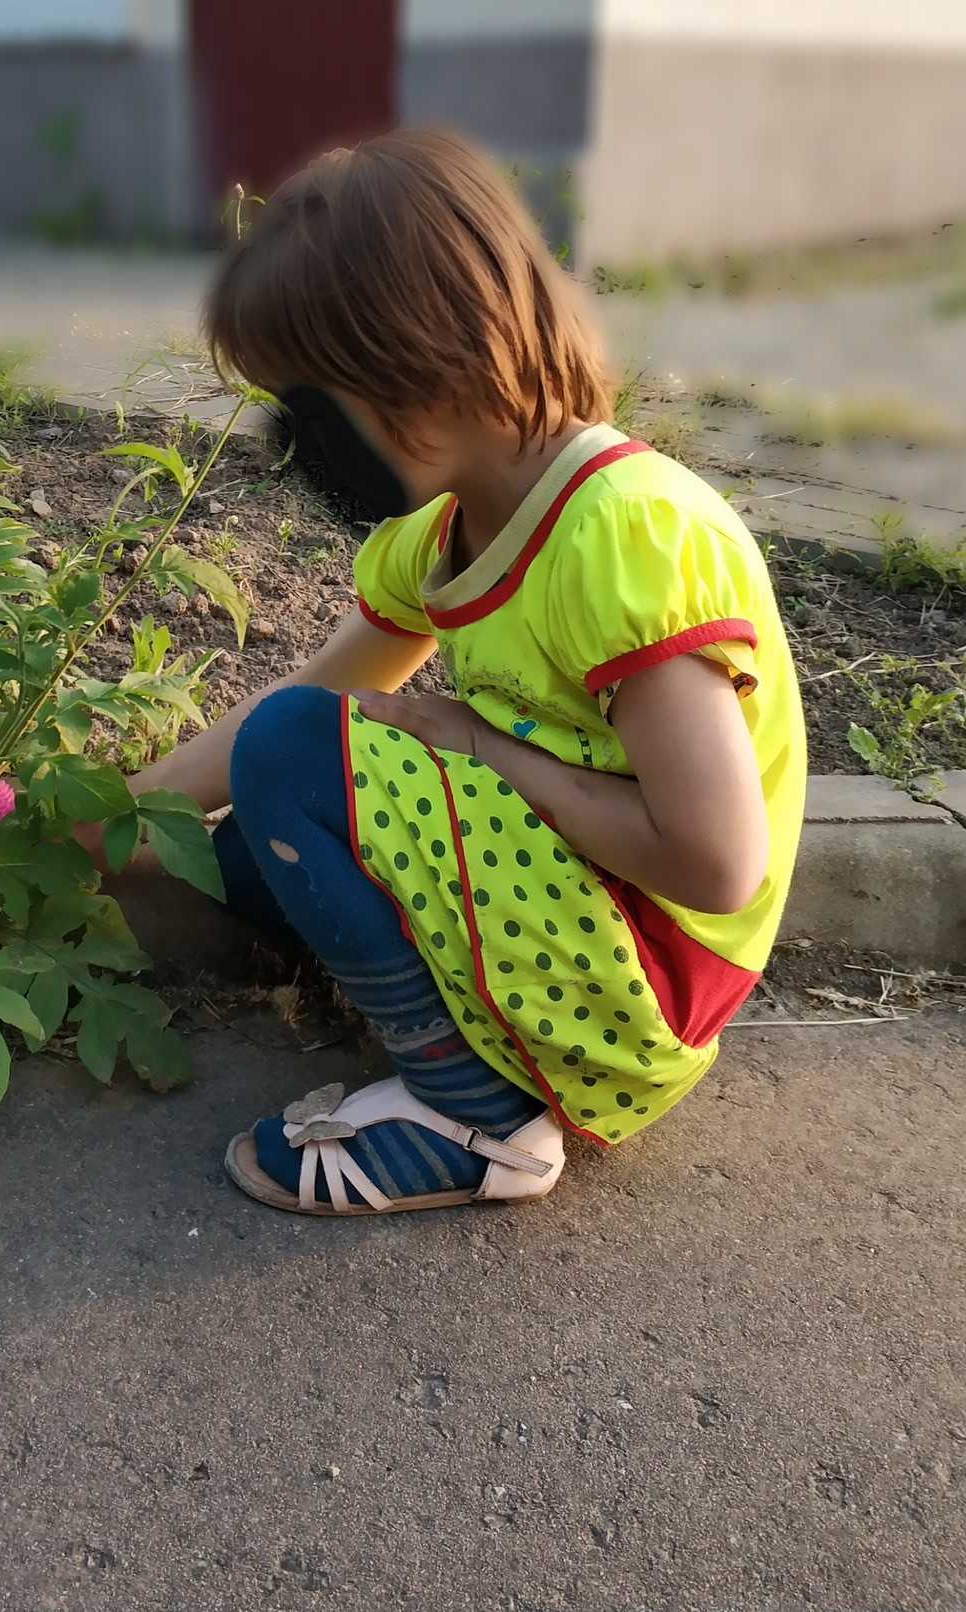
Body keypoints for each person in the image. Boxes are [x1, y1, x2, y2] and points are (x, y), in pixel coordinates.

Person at [122, 128, 807, 1215]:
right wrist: (114, 826)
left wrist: (483, 742)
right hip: (562, 900)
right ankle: (467, 1019)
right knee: (256, 836)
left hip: (643, 979)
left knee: (293, 761)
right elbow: (309, 697)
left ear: (418, 375)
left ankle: (478, 1117)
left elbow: (715, 864)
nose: (298, 446)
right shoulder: (447, 530)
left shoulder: (624, 535)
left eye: (311, 406)